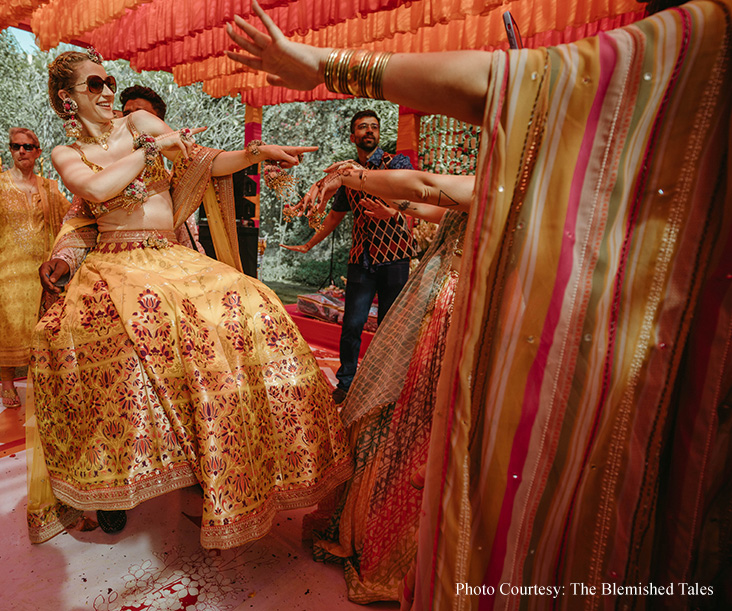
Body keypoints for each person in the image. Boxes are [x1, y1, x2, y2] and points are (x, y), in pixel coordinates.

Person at [228, 1, 732, 609]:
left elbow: (436, 183)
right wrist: (360, 206)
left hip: (451, 293)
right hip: (426, 276)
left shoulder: (688, 58)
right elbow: (430, 203)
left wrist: (325, 79)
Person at [26, 49, 352, 549]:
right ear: (67, 99)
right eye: (94, 85)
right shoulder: (66, 154)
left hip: (169, 255)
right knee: (124, 338)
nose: (108, 91)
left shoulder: (138, 122)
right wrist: (153, 150)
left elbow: (203, 160)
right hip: (116, 262)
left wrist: (256, 153)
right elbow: (95, 190)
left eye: (110, 81)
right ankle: (115, 483)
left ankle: (232, 456)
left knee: (253, 303)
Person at [297, 165, 472, 603]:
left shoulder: (508, 179)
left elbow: (427, 187)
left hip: (453, 309)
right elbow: (432, 205)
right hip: (429, 292)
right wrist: (392, 204)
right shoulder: (492, 186)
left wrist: (348, 176)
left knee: (418, 418)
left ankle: (395, 539)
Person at [281, 110, 415, 404]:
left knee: (389, 326)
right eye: (363, 127)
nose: (369, 131)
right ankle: (346, 383)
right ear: (354, 137)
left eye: (374, 127)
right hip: (361, 258)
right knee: (352, 324)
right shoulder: (345, 177)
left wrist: (392, 210)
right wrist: (308, 244)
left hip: (395, 256)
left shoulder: (396, 163)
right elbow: (334, 217)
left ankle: (383, 386)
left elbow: (410, 196)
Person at [0, 129, 70, 408]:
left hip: (42, 270)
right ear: (11, 150)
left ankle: (43, 381)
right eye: (16, 146)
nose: (22, 151)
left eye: (28, 146)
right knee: (8, 324)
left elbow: (70, 216)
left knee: (43, 326)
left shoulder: (50, 187)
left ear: (38, 151)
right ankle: (7, 383)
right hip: (9, 269)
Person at [117, 85, 203, 253]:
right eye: (127, 114)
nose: (132, 121)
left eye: (141, 115)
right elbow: (79, 221)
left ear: (158, 123)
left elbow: (187, 237)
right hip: (114, 256)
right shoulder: (106, 167)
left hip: (167, 258)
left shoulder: (171, 180)